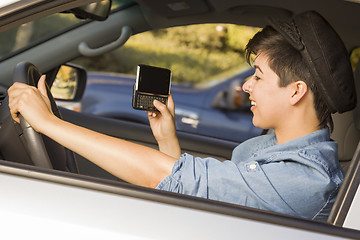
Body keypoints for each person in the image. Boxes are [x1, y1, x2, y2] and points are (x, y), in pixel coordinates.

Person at [7, 11, 356, 221]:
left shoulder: (306, 181)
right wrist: (167, 139)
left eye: (259, 77)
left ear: (296, 91)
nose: (246, 86)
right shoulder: (266, 148)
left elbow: (160, 176)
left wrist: (49, 123)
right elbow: (198, 198)